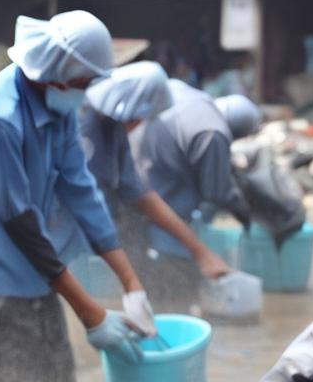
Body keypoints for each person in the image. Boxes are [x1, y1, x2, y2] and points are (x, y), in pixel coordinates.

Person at [0, 10, 156, 382]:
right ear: (59, 73)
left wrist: (130, 282)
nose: (88, 90)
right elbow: (18, 219)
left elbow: (80, 189)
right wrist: (89, 312)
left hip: (38, 267)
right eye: (85, 80)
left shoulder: (59, 108)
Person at [51, 61, 231, 289]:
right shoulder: (80, 126)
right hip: (65, 248)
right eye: (141, 117)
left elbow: (141, 194)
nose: (140, 124)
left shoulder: (114, 131)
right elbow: (80, 204)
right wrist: (129, 281)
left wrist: (200, 252)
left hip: (99, 243)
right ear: (131, 109)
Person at [131, 82, 262, 252]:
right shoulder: (214, 134)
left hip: (138, 158)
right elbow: (217, 192)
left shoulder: (194, 96)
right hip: (161, 191)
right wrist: (243, 211)